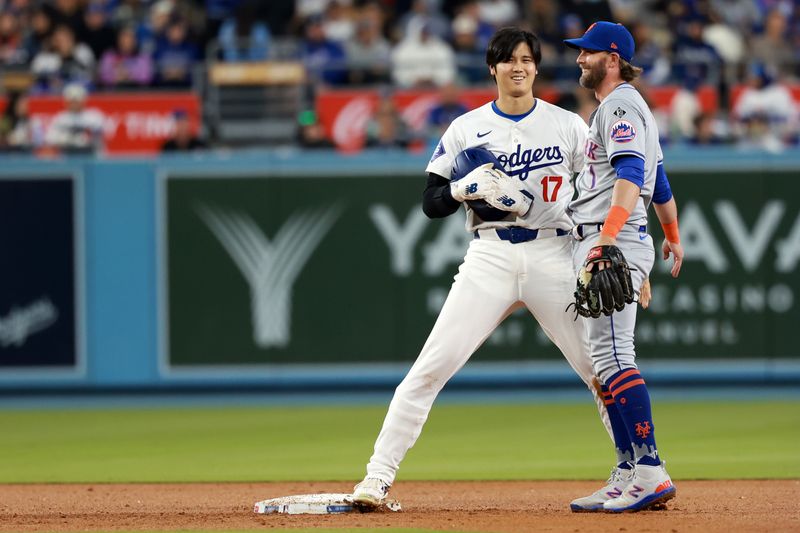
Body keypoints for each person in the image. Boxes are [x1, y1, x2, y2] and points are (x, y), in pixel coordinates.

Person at [352, 27, 614, 509]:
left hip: (552, 252)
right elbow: (431, 203)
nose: (519, 67)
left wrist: (598, 244)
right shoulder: (465, 128)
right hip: (490, 254)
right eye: (509, 59)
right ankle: (376, 478)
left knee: (600, 368)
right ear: (492, 68)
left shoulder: (568, 125)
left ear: (536, 67)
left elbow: (601, 189)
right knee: (429, 369)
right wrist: (459, 189)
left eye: (527, 59)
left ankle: (638, 470)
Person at [563, 21, 684, 512]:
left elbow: (635, 172)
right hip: (613, 239)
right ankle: (629, 469)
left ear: (611, 58)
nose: (578, 59)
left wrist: (608, 240)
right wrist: (671, 235)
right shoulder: (629, 107)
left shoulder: (618, 104)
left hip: (606, 238)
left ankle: (650, 468)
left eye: (586, 53)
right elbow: (660, 183)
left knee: (615, 357)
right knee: (604, 360)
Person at [45, 82, 105, 154]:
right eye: (72, 101)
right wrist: (66, 139)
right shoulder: (60, 118)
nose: (74, 103)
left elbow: (98, 133)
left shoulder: (94, 116)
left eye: (77, 100)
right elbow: (50, 139)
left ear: (83, 100)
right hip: (68, 156)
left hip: (90, 156)